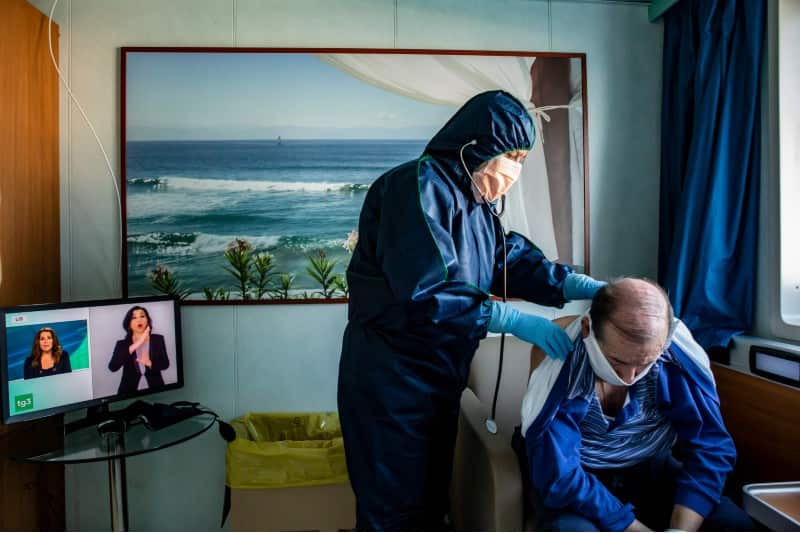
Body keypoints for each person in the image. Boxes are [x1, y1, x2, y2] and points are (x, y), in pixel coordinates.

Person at [338, 90, 605, 530]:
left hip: (436, 382)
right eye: (511, 154)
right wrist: (509, 320)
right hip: (392, 385)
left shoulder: (476, 204)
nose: (515, 169)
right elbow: (425, 292)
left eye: (522, 157)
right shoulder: (417, 188)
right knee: (393, 512)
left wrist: (573, 285)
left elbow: (508, 258)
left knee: (426, 504)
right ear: (476, 144)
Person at [521, 278, 754, 531]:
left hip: (649, 467)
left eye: (644, 362)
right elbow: (558, 471)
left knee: (735, 524)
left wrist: (681, 528)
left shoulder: (675, 358)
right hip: (579, 476)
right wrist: (632, 527)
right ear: (587, 329)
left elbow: (710, 445)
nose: (629, 377)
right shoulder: (560, 360)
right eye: (617, 360)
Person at [109, 305, 170, 394]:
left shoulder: (158, 339)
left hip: (156, 390)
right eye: (134, 318)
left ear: (147, 321)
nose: (139, 320)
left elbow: (165, 364)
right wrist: (138, 343)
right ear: (129, 323)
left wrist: (149, 363)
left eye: (142, 316)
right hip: (127, 393)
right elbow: (113, 367)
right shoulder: (122, 344)